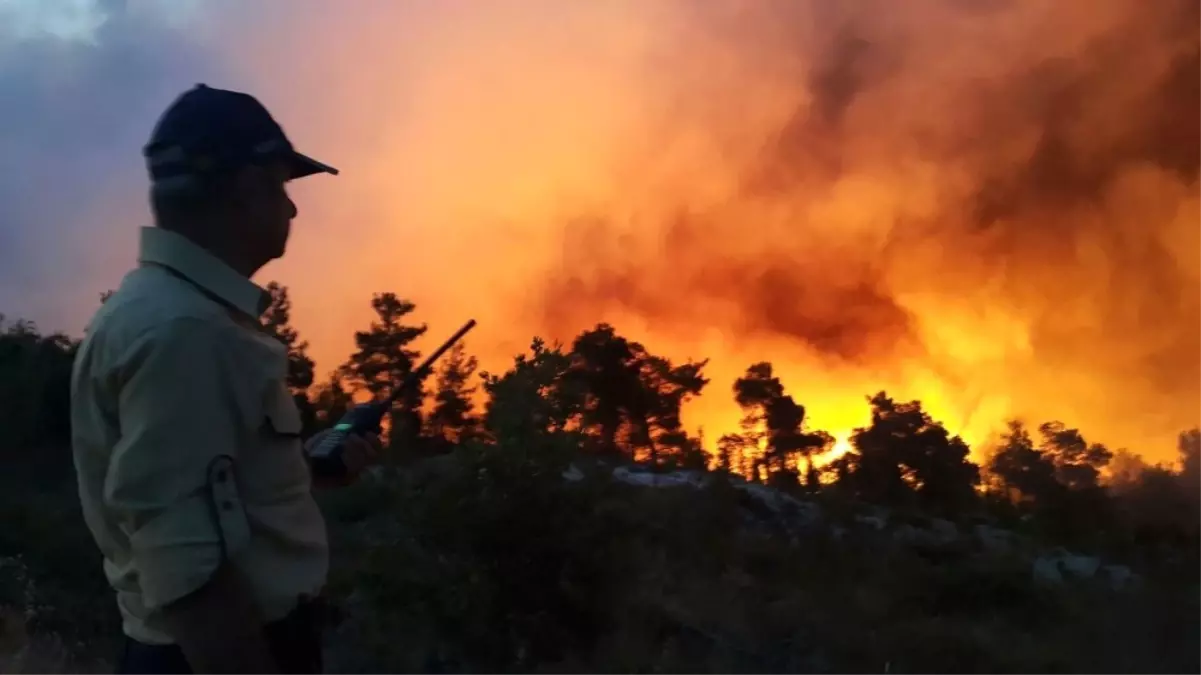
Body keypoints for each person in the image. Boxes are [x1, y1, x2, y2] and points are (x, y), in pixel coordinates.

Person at [70, 84, 379, 675]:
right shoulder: (188, 332)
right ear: (249, 187)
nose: (291, 210)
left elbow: (201, 491)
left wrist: (300, 472)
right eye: (284, 189)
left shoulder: (156, 310)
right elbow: (189, 574)